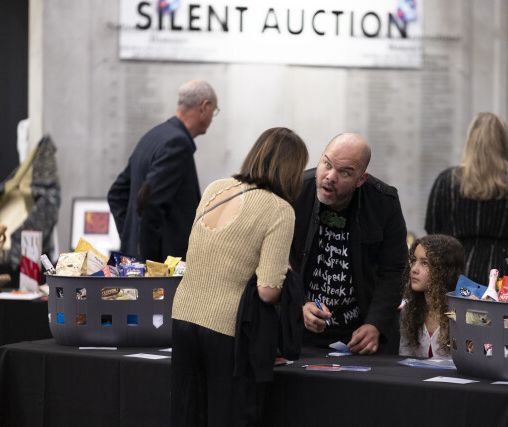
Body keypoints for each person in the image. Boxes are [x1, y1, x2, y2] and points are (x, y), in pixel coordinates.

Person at [170, 127, 309, 426]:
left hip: (183, 315)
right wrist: (286, 277)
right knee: (229, 416)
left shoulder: (215, 188)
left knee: (188, 414)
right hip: (226, 328)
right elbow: (267, 291)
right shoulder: (280, 209)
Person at [289, 133, 408, 355]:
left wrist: (375, 324)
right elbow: (276, 261)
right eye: (327, 164)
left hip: (357, 337)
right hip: (298, 332)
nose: (330, 177)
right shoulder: (295, 192)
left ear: (361, 179)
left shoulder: (384, 202)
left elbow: (394, 270)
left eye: (344, 172)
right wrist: (299, 304)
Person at [107, 80, 218, 262]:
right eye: (214, 111)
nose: (212, 118)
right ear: (204, 107)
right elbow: (150, 201)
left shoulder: (152, 136)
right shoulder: (177, 144)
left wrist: (131, 240)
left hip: (140, 264)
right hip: (162, 270)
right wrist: (150, 261)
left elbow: (116, 193)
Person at [425, 112, 508, 284]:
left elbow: (432, 230)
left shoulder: (447, 181)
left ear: (470, 141)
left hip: (458, 271)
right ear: (503, 142)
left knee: (457, 304)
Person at [399, 234, 465, 358]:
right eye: (414, 261)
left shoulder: (464, 314)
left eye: (425, 263)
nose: (414, 269)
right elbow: (405, 358)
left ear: (445, 270)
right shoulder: (409, 311)